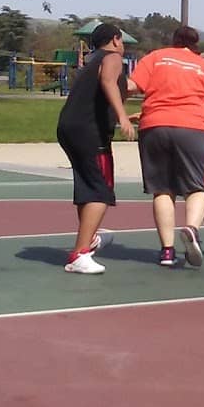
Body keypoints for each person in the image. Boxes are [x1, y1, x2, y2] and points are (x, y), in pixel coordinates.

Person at [127, 26, 204, 268]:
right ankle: (191, 229)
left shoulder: (156, 57)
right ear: (196, 44)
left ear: (174, 40)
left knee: (162, 189)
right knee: (197, 188)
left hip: (154, 126)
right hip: (193, 127)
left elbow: (131, 86)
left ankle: (167, 252)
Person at [55, 23, 136, 275]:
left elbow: (108, 91)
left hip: (69, 128)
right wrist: (122, 117)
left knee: (88, 187)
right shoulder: (112, 57)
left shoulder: (92, 61)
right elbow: (108, 81)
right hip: (89, 132)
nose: (123, 46)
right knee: (100, 191)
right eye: (122, 41)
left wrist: (123, 113)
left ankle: (88, 241)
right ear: (115, 40)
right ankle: (80, 254)